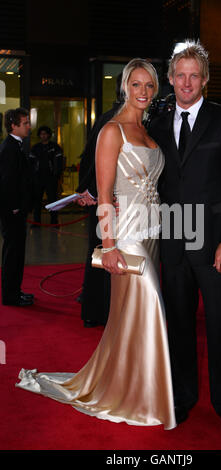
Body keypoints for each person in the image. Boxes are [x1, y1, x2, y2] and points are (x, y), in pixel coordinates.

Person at [16, 59, 176, 430]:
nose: (143, 92)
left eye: (149, 85)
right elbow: (104, 194)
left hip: (152, 232)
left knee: (130, 318)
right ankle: (142, 397)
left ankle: (134, 386)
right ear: (124, 87)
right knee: (148, 301)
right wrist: (109, 246)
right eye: (136, 84)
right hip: (126, 236)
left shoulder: (148, 130)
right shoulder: (111, 131)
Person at [149, 40, 221, 438]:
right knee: (179, 325)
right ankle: (183, 397)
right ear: (170, 79)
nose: (187, 82)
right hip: (174, 239)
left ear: (204, 80)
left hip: (215, 245)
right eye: (180, 75)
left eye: (194, 75)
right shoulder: (156, 125)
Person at [76, 75, 123, 328]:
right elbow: (101, 162)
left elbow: (87, 157)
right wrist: (93, 192)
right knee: (107, 254)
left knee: (97, 254)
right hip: (109, 202)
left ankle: (94, 310)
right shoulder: (118, 121)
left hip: (99, 198)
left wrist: (86, 190)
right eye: (137, 84)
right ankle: (104, 312)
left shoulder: (106, 117)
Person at [0, 108, 34, 306]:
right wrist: (13, 206)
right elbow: (7, 181)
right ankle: (10, 295)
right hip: (12, 210)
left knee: (17, 252)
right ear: (13, 126)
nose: (29, 126)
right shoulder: (9, 148)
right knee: (12, 253)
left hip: (17, 209)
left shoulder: (16, 146)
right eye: (25, 123)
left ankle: (15, 291)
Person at [30, 126, 64, 226]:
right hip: (38, 178)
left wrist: (57, 175)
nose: (43, 136)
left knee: (53, 200)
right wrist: (33, 176)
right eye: (41, 134)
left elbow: (59, 162)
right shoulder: (35, 148)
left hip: (51, 178)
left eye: (45, 134)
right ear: (39, 135)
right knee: (37, 201)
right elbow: (31, 163)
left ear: (48, 135)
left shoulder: (55, 147)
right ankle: (36, 221)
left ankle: (54, 220)